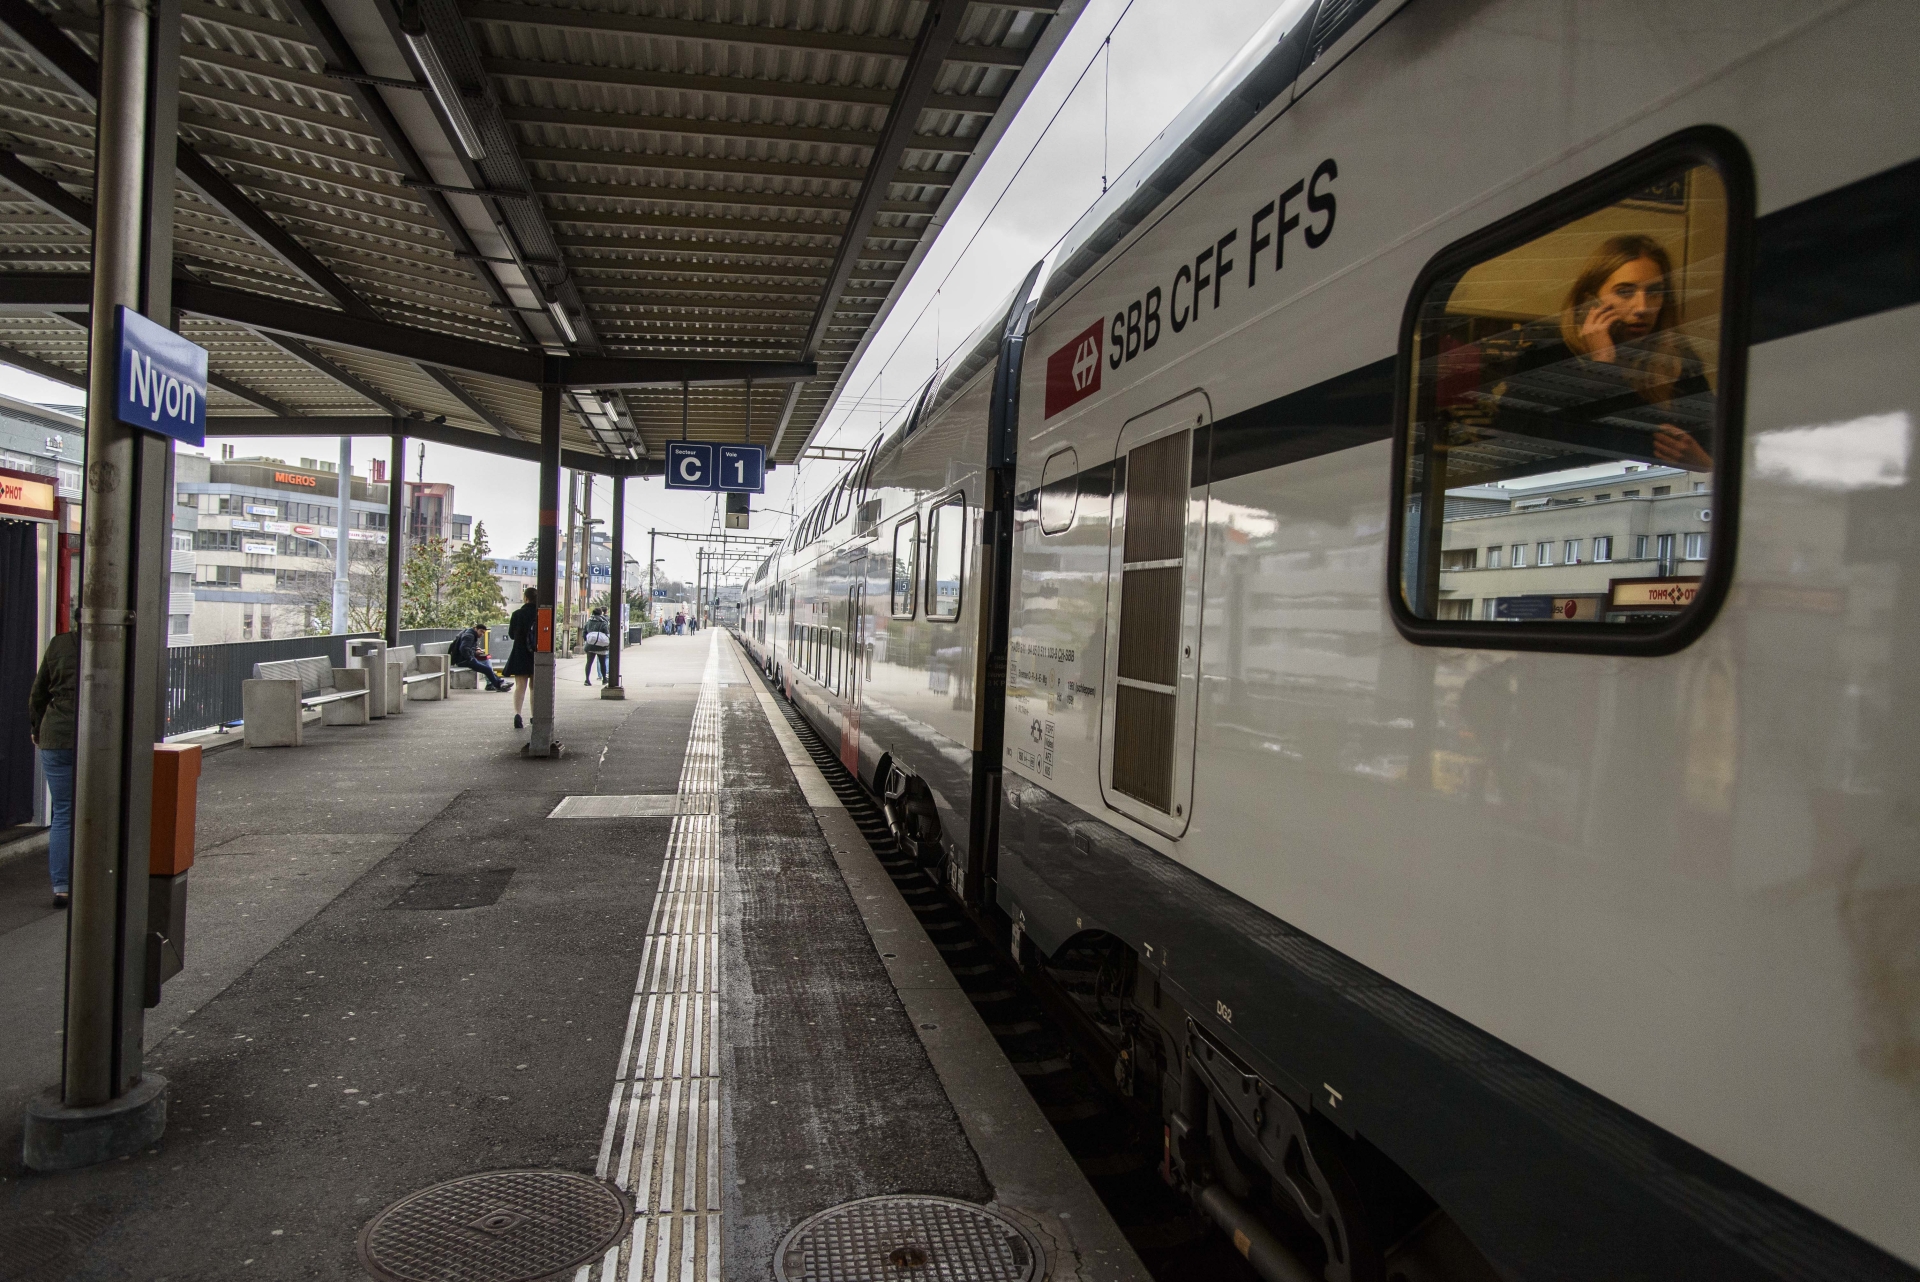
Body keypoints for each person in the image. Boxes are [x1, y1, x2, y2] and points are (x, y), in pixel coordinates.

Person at [27, 629, 77, 908]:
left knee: (64, 813)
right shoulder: (114, 643)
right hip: (97, 738)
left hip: (56, 736)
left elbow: (38, 693)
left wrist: (37, 730)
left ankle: (62, 887)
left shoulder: (59, 644)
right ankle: (101, 878)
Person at [504, 586, 538, 729]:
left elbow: (512, 635)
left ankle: (518, 714)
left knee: (520, 686)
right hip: (536, 653)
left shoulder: (517, 614)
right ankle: (534, 716)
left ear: (525, 598)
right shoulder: (539, 614)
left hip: (520, 652)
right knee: (534, 687)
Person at [451, 622, 509, 691]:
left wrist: (476, 650)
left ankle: (499, 682)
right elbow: (463, 648)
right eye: (481, 631)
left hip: (465, 659)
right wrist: (471, 658)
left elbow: (468, 647)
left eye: (483, 633)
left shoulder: (470, 633)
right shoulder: (469, 636)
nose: (482, 634)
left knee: (487, 664)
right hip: (463, 661)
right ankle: (498, 685)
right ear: (476, 629)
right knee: (487, 669)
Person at [582, 608, 610, 685]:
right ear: (601, 613)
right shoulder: (603, 622)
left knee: (589, 663)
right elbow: (607, 633)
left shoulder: (589, 622)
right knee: (602, 663)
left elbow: (584, 633)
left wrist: (588, 640)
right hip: (601, 646)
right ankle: (604, 679)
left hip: (590, 646)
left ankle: (587, 680)